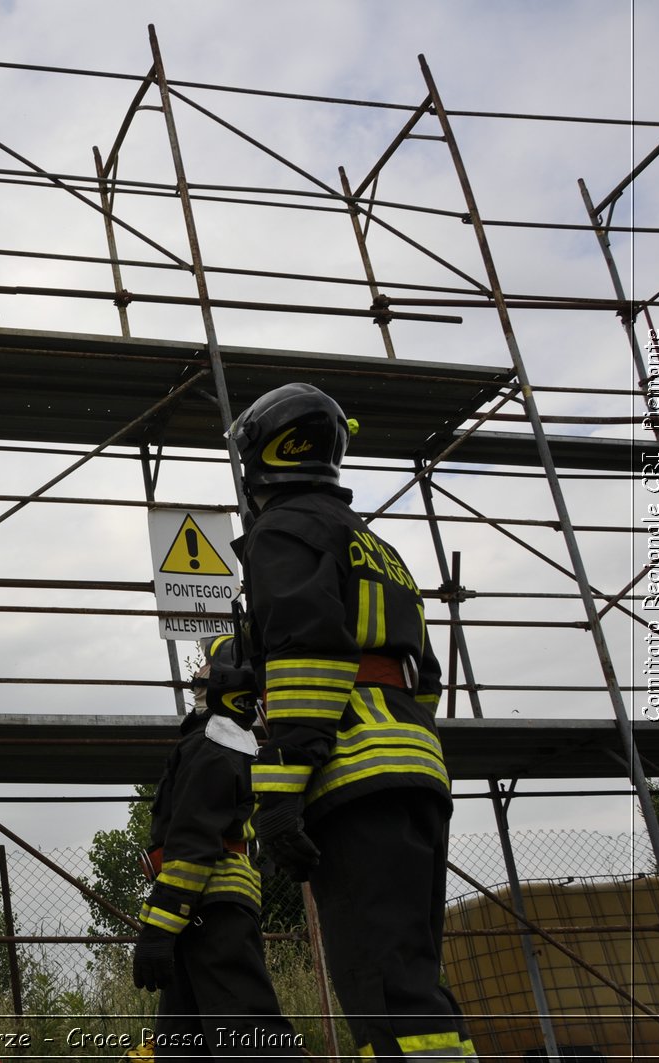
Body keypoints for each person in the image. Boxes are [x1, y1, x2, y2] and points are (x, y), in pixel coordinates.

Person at [228, 382, 476, 1060]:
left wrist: (279, 787)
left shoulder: (282, 530)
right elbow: (424, 671)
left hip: (352, 772)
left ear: (261, 458)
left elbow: (307, 652)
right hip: (416, 770)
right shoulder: (377, 546)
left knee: (384, 994)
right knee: (413, 981)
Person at [131, 634, 301, 1058]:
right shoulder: (218, 740)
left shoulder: (212, 746)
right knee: (182, 1044)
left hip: (211, 904)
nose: (198, 675)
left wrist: (159, 927)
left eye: (208, 667)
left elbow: (191, 848)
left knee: (248, 1035)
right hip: (204, 905)